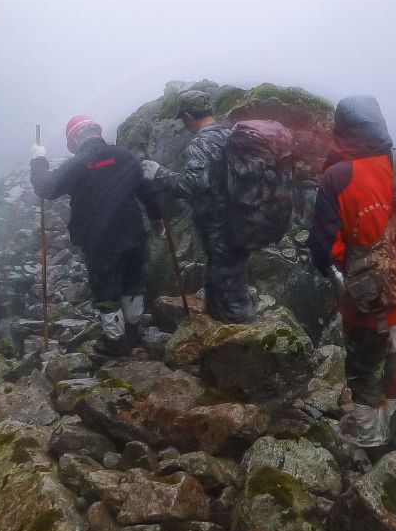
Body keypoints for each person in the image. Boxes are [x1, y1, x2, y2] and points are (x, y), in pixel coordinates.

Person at [308, 94, 396, 447]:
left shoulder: (337, 178)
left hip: (364, 301)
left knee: (361, 367)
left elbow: (322, 250)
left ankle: (369, 441)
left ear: (343, 130)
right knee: (395, 348)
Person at [30, 115, 163, 357]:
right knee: (132, 282)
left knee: (105, 290)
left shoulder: (79, 163)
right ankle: (133, 331)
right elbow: (146, 190)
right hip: (133, 234)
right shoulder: (125, 156)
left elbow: (46, 188)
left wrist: (38, 160)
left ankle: (116, 341)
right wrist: (156, 218)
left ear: (74, 140)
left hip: (99, 240)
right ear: (98, 132)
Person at [140, 89, 256, 323]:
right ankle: (217, 329)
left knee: (230, 288)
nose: (184, 124)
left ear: (188, 116)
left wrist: (159, 173)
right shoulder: (231, 133)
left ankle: (242, 342)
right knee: (225, 279)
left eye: (183, 119)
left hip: (219, 227)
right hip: (243, 219)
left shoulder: (201, 144)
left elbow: (194, 185)